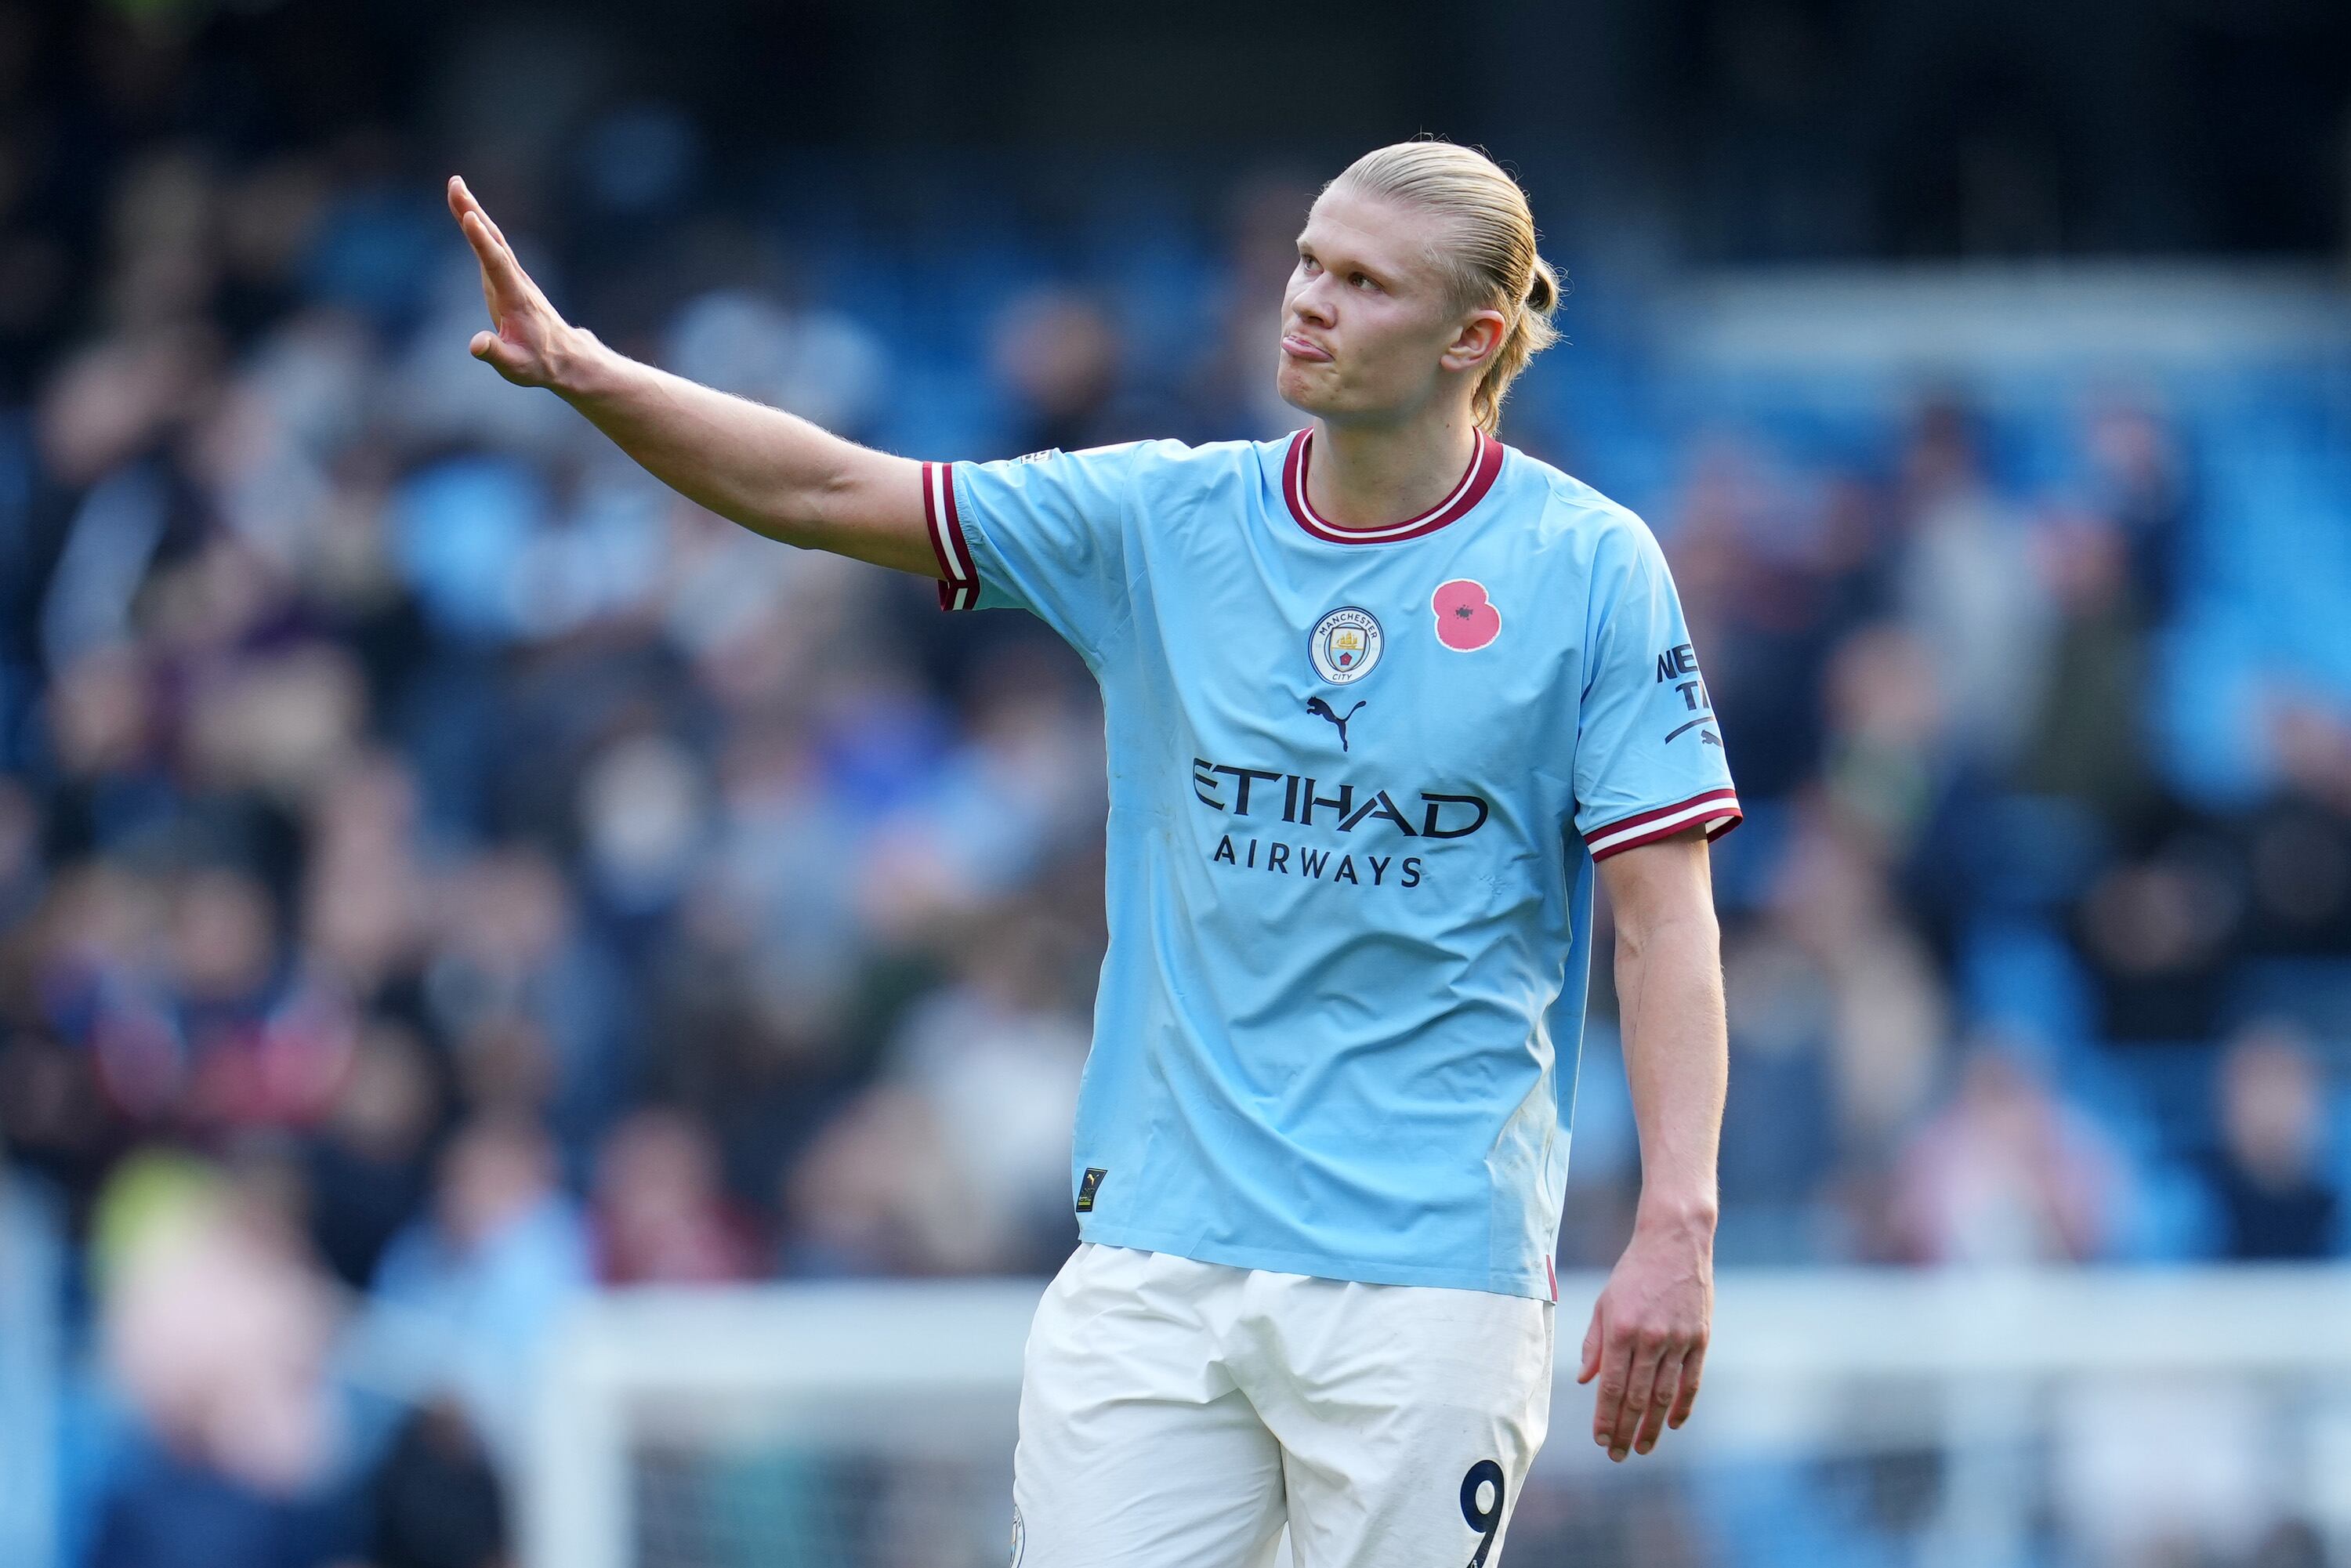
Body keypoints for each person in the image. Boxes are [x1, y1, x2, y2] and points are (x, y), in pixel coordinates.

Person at [446, 138, 1737, 1567]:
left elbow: (1663, 922)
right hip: (1157, 1256)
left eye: (1362, 282)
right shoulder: (1163, 517)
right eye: (1306, 261)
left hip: (1430, 1274)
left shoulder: (1591, 566)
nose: (1304, 300)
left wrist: (1676, 1218)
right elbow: (829, 494)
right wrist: (584, 371)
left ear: (1470, 339)